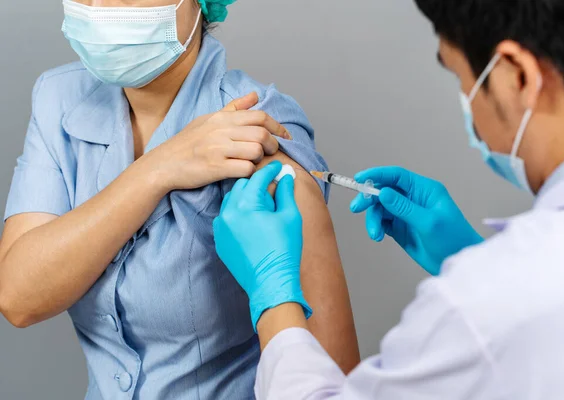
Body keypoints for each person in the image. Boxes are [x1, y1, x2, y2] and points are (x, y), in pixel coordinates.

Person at [212, 0, 564, 398]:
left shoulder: (481, 307)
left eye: (462, 80)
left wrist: (274, 297)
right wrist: (469, 255)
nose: (468, 103)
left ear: (516, 76)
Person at [0, 0, 360, 398]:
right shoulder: (60, 98)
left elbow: (329, 384)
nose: (101, 4)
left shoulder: (255, 124)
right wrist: (160, 167)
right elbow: (17, 296)